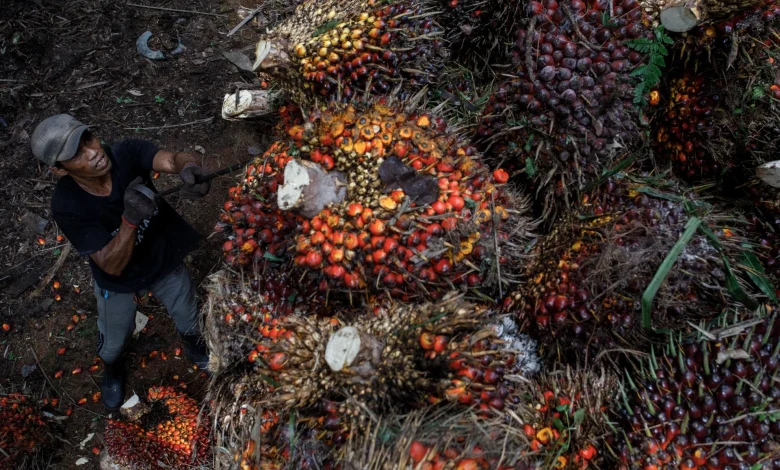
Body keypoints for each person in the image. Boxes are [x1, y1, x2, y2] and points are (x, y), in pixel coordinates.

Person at [30, 114, 212, 411]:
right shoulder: (67, 204)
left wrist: (188, 167)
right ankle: (112, 369)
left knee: (188, 314)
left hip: (161, 257)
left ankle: (196, 347)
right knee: (113, 340)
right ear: (59, 170)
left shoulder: (123, 153)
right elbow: (111, 266)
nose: (93, 152)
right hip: (118, 281)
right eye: (76, 155)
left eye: (88, 139)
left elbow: (171, 159)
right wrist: (130, 219)